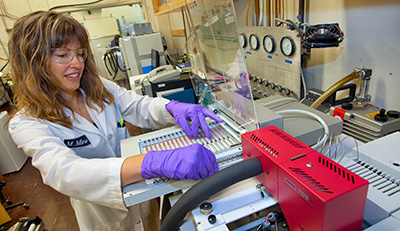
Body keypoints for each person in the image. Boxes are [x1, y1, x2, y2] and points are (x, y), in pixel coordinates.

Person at [7, 11, 222, 231]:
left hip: (142, 197)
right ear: (33, 62)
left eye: (80, 54)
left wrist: (171, 107)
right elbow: (64, 171)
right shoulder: (27, 122)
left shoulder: (95, 86)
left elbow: (136, 105)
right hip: (103, 214)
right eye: (63, 55)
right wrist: (152, 163)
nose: (77, 64)